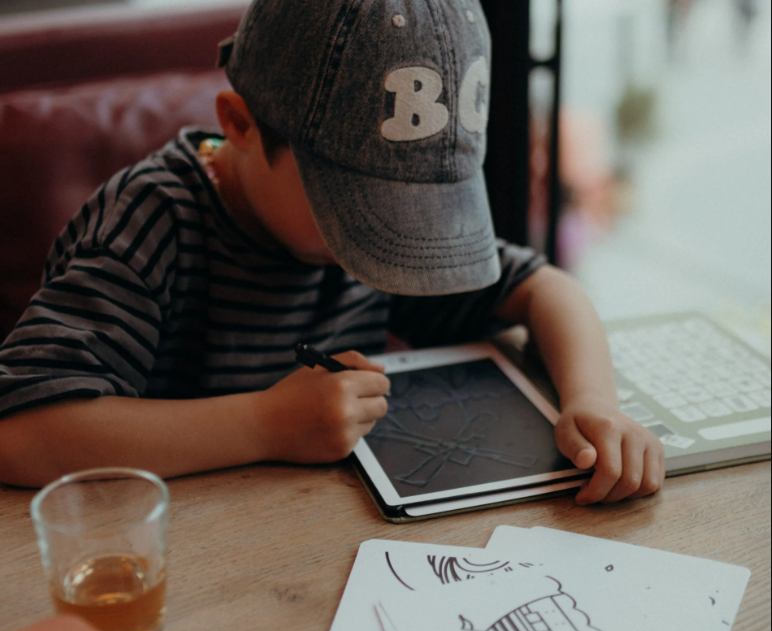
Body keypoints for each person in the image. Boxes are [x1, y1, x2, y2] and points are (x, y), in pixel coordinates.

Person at [0, 0, 664, 503]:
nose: (386, 245)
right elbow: (21, 431)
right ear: (239, 125)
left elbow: (545, 287)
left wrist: (594, 401)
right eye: (358, 210)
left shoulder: (378, 246)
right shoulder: (149, 224)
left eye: (419, 212)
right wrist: (263, 424)